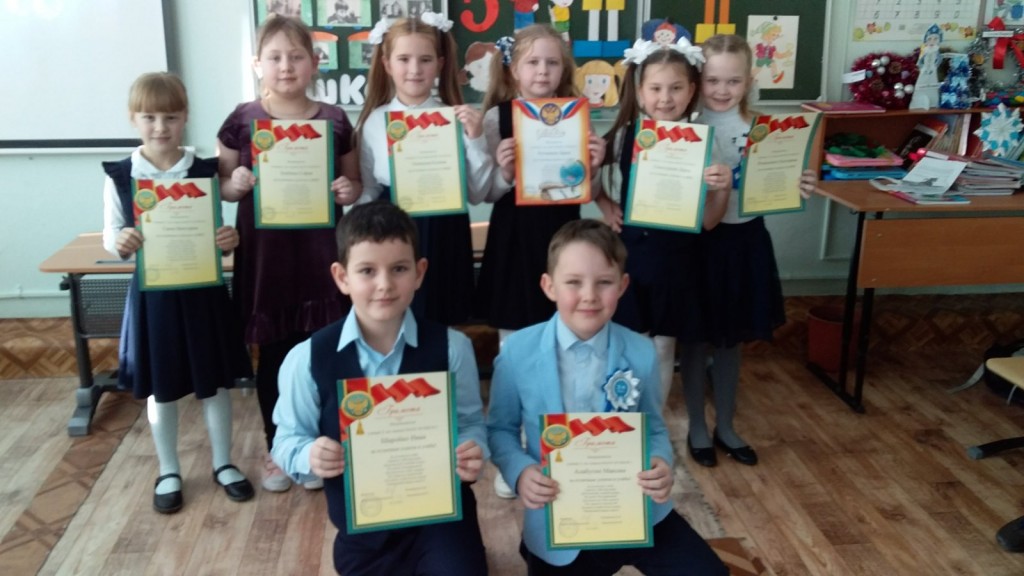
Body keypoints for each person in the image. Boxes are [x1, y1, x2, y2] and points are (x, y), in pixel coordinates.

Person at [486, 219, 728, 575]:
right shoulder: (517, 352)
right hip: (559, 515)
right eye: (573, 282)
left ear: (623, 285)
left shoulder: (641, 352)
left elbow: (653, 428)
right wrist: (520, 472)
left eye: (604, 282)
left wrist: (660, 461)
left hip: (635, 507)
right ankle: (533, 548)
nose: (589, 295)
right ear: (549, 286)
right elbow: (500, 430)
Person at [271, 201, 489, 575]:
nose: (384, 284)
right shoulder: (306, 359)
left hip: (442, 521)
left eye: (399, 269)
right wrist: (310, 456)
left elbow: (470, 422)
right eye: (367, 271)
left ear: (420, 272)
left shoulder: (453, 348)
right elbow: (287, 440)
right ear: (342, 277)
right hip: (363, 529)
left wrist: (473, 449)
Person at [216, 15, 361, 493]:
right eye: (275, 57)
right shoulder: (242, 120)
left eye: (296, 56)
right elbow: (222, 185)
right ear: (257, 63)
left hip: (321, 257)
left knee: (324, 351)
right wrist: (235, 183)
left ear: (314, 62)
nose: (286, 66)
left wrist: (348, 190)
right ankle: (278, 448)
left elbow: (353, 182)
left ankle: (323, 446)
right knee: (275, 355)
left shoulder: (334, 120)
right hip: (267, 261)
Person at [102, 72, 254, 514]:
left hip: (203, 292)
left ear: (185, 117)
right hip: (155, 298)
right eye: (149, 117)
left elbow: (221, 228)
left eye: (170, 117)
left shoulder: (204, 170)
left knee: (215, 383)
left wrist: (228, 239)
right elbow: (111, 233)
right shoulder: (122, 174)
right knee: (161, 386)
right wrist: (121, 241)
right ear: (133, 118)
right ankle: (168, 469)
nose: (160, 127)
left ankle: (223, 462)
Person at [475, 23, 605, 498]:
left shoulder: (577, 114)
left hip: (564, 237)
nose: (543, 71)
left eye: (552, 62)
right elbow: (484, 192)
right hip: (514, 238)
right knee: (514, 345)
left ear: (563, 68)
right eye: (532, 62)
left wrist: (594, 165)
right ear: (513, 69)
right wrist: (506, 170)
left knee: (567, 337)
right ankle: (515, 451)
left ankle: (558, 442)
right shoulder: (496, 118)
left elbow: (585, 189)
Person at [683, 34, 819, 468]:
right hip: (699, 244)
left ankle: (726, 426)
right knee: (696, 338)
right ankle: (696, 427)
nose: (722, 90)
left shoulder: (767, 129)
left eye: (733, 81)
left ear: (749, 81)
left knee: (731, 339)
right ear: (698, 80)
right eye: (712, 80)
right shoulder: (685, 126)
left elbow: (778, 182)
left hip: (745, 242)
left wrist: (800, 184)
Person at [594, 36, 732, 407]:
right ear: (640, 93)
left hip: (678, 261)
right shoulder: (625, 137)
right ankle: (624, 416)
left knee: (663, 346)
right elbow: (586, 173)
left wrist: (722, 190)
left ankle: (653, 417)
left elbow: (709, 222)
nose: (665, 98)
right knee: (628, 341)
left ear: (692, 91)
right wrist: (604, 204)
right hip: (632, 258)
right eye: (655, 88)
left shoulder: (705, 143)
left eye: (676, 88)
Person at [355, 12, 492, 326]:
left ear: (440, 64)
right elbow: (368, 191)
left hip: (446, 233)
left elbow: (477, 193)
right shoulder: (374, 122)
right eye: (404, 59)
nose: (415, 69)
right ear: (387, 64)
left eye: (425, 60)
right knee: (395, 318)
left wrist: (477, 139)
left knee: (443, 320)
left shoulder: (458, 118)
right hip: (392, 234)